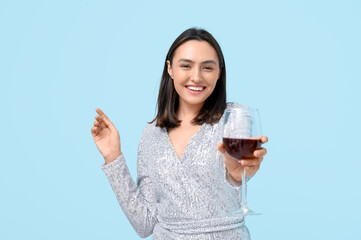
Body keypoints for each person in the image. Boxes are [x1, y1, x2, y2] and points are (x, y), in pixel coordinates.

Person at [91, 28, 268, 239]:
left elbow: (237, 169)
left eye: (207, 68)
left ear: (219, 73)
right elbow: (144, 224)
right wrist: (113, 157)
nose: (196, 77)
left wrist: (236, 175)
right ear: (170, 69)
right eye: (186, 65)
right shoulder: (151, 135)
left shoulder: (234, 117)